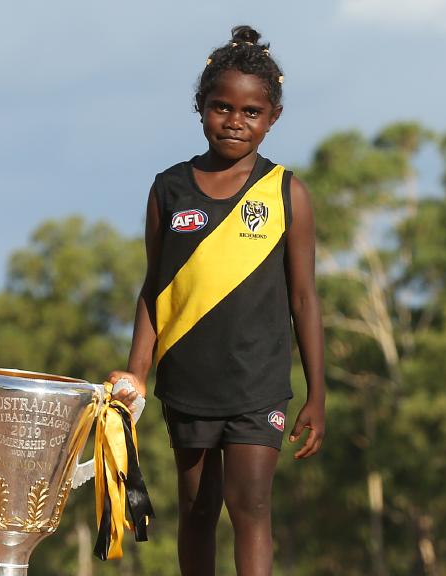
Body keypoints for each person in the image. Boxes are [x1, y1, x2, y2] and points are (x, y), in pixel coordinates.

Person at [108, 25, 326, 576]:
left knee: (249, 505)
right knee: (197, 509)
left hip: (258, 384)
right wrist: (136, 375)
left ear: (273, 117)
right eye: (221, 107)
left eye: (251, 112)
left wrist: (317, 394)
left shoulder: (285, 192)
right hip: (187, 382)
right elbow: (154, 289)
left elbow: (304, 297)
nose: (235, 120)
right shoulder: (169, 189)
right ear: (199, 108)